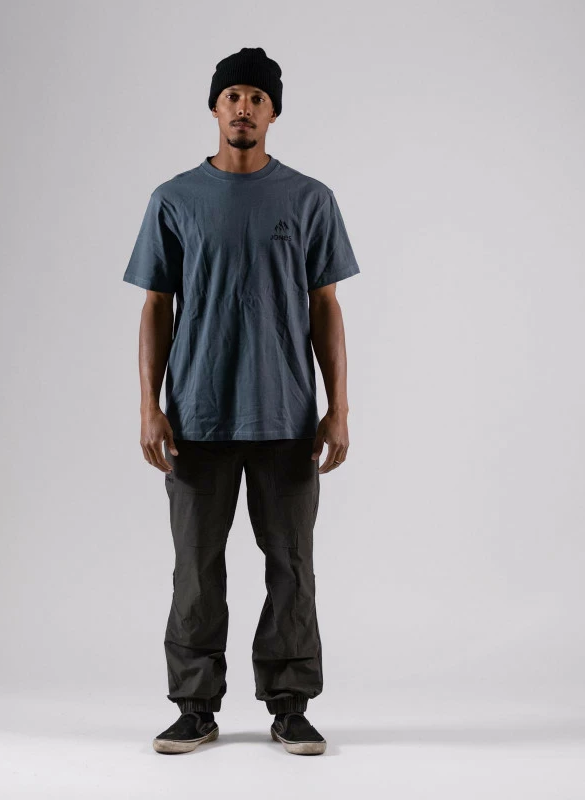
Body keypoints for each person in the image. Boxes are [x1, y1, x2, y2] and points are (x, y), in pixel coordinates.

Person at [123, 46, 360, 756]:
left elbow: (326, 306)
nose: (244, 109)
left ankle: (290, 704)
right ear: (214, 107)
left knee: (291, 565)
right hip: (197, 415)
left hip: (286, 415)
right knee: (196, 569)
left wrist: (339, 407)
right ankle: (195, 706)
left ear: (274, 112)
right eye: (233, 96)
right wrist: (149, 406)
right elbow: (155, 306)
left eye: (258, 98)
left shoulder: (309, 199)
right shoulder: (174, 200)